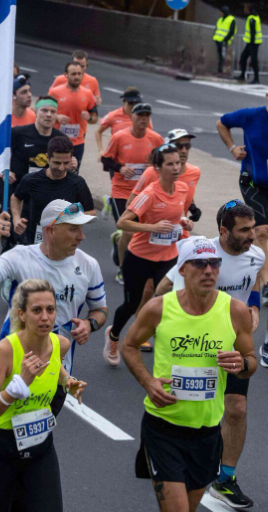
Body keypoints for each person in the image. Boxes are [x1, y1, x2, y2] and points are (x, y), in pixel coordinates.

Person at [122, 236, 257, 512]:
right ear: (182, 269)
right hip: (163, 429)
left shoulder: (235, 310)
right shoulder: (159, 308)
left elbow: (251, 361)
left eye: (214, 263)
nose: (209, 270)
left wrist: (242, 365)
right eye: (199, 263)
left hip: (208, 432)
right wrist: (148, 382)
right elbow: (129, 345)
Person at [155, 202, 263, 509]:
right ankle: (166, 457)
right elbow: (167, 291)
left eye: (253, 229)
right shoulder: (202, 255)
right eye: (244, 230)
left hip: (232, 344)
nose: (252, 236)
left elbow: (254, 278)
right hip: (194, 343)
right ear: (224, 231)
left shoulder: (256, 255)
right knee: (186, 408)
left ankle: (225, 479)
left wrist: (253, 307)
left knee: (237, 408)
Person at [0, 279, 87, 512]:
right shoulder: (6, 351)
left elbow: (55, 364)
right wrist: (17, 387)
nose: (45, 317)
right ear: (22, 314)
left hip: (40, 449)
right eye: (37, 310)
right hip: (0, 454)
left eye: (50, 309)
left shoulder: (60, 344)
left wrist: (67, 380)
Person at [0, 200, 107, 382]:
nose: (81, 236)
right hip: (15, 364)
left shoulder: (89, 265)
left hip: (58, 371)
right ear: (50, 231)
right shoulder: (19, 257)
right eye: (73, 229)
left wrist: (90, 324)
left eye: (81, 228)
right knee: (0, 402)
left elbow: (100, 309)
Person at [103, 144, 192, 366]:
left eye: (178, 163)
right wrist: (152, 228)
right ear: (158, 168)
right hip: (139, 258)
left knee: (169, 301)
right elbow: (123, 222)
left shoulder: (182, 188)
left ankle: (163, 344)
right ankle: (114, 335)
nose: (176, 168)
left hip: (168, 257)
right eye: (170, 164)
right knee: (131, 304)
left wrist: (184, 222)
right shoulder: (149, 193)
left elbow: (177, 214)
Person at [101, 102, 164, 284]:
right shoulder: (119, 137)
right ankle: (122, 268)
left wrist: (154, 167)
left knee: (139, 233)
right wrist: (120, 168)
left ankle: (121, 242)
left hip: (146, 193)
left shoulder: (156, 139)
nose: (144, 119)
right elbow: (105, 160)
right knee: (128, 231)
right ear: (132, 117)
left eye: (147, 116)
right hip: (122, 191)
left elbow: (164, 161)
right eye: (140, 115)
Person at [217, 97, 268, 303]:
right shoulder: (251, 116)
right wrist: (232, 148)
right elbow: (221, 123)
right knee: (262, 230)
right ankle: (266, 283)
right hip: (252, 182)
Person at [11, 136, 95, 247]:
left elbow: (91, 212)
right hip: (33, 240)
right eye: (57, 163)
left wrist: (70, 218)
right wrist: (16, 219)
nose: (61, 168)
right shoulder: (31, 180)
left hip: (64, 242)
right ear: (47, 158)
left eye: (66, 163)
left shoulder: (78, 183)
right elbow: (16, 197)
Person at [0, 96, 65, 209]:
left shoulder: (61, 139)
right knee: (12, 216)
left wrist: (72, 165)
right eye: (44, 110)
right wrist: (4, 172)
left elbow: (65, 166)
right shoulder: (18, 133)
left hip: (44, 190)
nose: (49, 114)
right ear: (36, 112)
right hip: (17, 188)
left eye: (53, 111)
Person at [47, 62, 97, 171]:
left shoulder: (88, 94)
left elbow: (94, 119)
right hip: (56, 140)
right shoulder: (55, 92)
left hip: (77, 143)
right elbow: (42, 113)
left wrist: (89, 117)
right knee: (53, 171)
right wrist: (56, 116)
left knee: (73, 174)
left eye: (79, 74)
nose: (77, 77)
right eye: (74, 74)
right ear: (66, 75)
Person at [95, 87, 152, 158]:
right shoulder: (113, 115)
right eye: (131, 103)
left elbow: (150, 135)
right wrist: (101, 150)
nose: (133, 106)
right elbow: (98, 132)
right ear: (124, 101)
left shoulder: (143, 118)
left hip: (137, 154)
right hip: (117, 156)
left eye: (137, 103)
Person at [239, 3, 261, 83]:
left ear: (248, 9)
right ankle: (242, 76)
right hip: (251, 43)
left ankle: (256, 79)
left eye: (245, 8)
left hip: (253, 43)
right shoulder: (253, 16)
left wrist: (251, 44)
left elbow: (253, 32)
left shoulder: (252, 18)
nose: (244, 10)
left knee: (253, 61)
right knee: (243, 57)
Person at [213, 6, 236, 75]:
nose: (220, 13)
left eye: (221, 12)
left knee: (222, 57)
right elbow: (217, 28)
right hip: (218, 40)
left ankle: (221, 71)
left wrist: (225, 40)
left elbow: (232, 31)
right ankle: (219, 71)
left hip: (224, 42)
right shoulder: (220, 19)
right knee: (219, 56)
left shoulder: (231, 19)